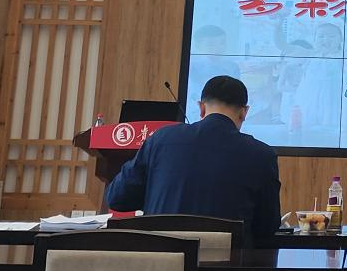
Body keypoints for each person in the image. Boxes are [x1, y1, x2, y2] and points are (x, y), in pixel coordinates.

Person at [107, 75, 281, 246]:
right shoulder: (262, 155)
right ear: (244, 112)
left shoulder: (160, 139)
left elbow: (117, 199)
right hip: (228, 260)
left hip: (162, 258)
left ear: (201, 108)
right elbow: (267, 227)